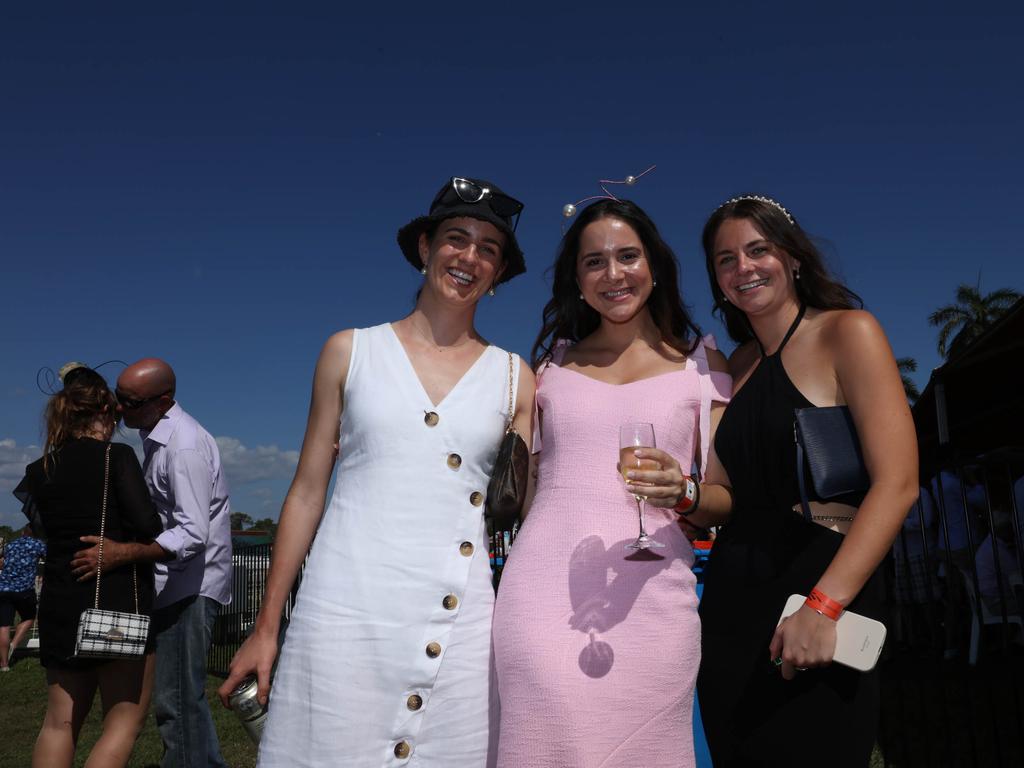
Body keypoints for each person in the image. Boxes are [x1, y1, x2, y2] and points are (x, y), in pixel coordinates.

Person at [218, 175, 534, 767]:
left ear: (498, 273)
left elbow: (532, 502)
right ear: (424, 248)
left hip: (460, 627)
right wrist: (266, 626)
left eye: (488, 249)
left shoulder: (517, 376)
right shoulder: (349, 350)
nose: (469, 257)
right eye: (456, 239)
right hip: (345, 614)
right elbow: (309, 491)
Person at [492, 199, 733, 768]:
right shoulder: (550, 369)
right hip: (542, 599)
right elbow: (520, 490)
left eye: (628, 256)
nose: (614, 274)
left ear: (654, 265)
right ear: (577, 280)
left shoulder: (703, 366)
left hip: (654, 602)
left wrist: (684, 492)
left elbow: (723, 499)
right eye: (594, 262)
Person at [697, 195, 918, 767]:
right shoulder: (734, 366)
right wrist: (681, 493)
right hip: (728, 612)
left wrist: (823, 607)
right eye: (725, 260)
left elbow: (898, 484)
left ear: (793, 257)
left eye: (758, 249)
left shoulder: (849, 332)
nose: (743, 268)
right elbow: (718, 498)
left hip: (817, 593)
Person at [75, 358, 234, 767]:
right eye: (118, 397)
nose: (118, 409)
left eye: (129, 402)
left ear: (163, 400)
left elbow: (192, 532)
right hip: (176, 585)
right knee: (176, 698)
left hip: (191, 587)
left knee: (178, 699)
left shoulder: (183, 445)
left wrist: (124, 553)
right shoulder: (157, 436)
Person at [12, 364, 162, 768]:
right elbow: (149, 525)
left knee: (58, 725)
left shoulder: (39, 471)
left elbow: (44, 529)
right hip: (115, 602)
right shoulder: (118, 456)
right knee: (123, 722)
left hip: (60, 602)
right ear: (107, 412)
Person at [0, 526, 46, 671]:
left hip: (3, 588)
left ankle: (4, 665)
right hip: (24, 590)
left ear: (22, 533)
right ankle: (13, 644)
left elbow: (3, 560)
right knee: (29, 618)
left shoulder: (10, 545)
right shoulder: (38, 545)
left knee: (4, 625)